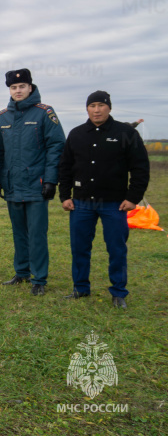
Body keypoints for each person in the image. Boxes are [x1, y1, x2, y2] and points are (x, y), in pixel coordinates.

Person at [59, 91, 150, 309]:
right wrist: (65, 195)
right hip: (81, 203)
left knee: (116, 249)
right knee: (80, 248)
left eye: (101, 105)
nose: (97, 110)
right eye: (92, 105)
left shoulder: (126, 133)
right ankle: (80, 288)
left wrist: (133, 198)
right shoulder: (77, 134)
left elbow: (140, 168)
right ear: (87, 108)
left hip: (114, 204)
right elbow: (65, 167)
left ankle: (118, 292)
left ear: (109, 108)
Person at [0, 69, 65, 296]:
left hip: (37, 185)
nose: (18, 91)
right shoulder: (2, 117)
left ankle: (39, 279)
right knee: (18, 232)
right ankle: (21, 272)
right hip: (13, 185)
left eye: (22, 86)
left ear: (30, 88)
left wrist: (51, 180)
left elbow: (56, 146)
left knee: (36, 233)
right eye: (13, 88)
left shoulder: (45, 113)